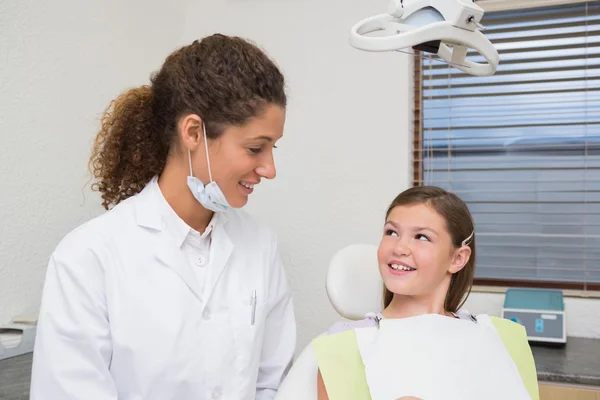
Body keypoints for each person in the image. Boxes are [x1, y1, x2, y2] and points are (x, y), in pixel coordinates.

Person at [30, 34, 296, 400]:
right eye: (255, 148)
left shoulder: (260, 246)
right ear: (192, 132)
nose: (269, 168)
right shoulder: (88, 257)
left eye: (272, 148)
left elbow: (273, 383)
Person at [313, 186, 538, 400]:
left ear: (457, 258)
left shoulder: (499, 337)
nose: (399, 248)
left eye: (422, 237)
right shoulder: (345, 345)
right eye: (391, 232)